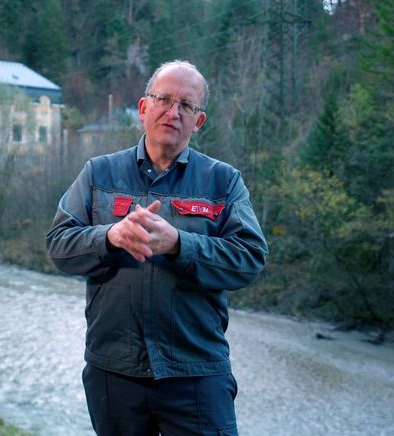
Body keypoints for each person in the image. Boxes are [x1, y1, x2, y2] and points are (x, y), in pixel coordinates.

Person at [45, 60, 268, 435]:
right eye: (164, 99)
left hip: (195, 372)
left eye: (186, 105)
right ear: (144, 108)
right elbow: (59, 244)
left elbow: (249, 259)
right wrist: (109, 238)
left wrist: (180, 244)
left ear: (198, 122)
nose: (173, 111)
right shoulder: (99, 174)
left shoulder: (223, 182)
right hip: (114, 371)